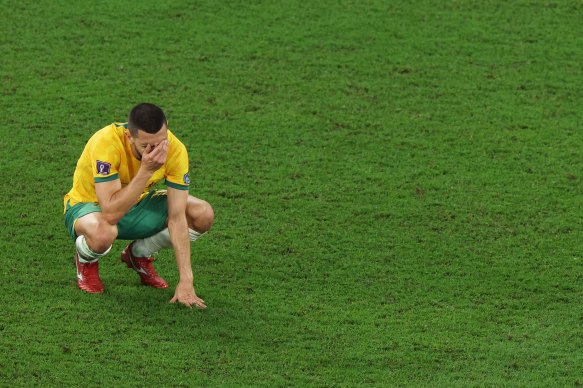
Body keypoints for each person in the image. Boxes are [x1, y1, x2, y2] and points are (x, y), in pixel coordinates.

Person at [63, 103, 213, 308]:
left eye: (160, 142)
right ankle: (86, 260)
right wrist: (146, 171)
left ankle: (138, 254)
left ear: (167, 127)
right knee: (103, 233)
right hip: (90, 207)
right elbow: (110, 213)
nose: (156, 151)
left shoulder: (175, 149)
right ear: (129, 137)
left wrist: (186, 281)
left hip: (136, 204)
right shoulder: (106, 141)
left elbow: (177, 217)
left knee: (201, 214)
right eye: (146, 147)